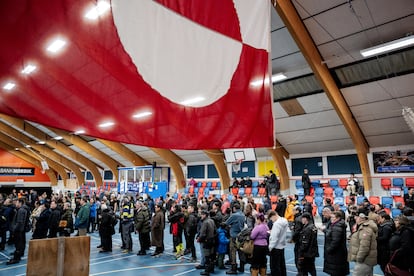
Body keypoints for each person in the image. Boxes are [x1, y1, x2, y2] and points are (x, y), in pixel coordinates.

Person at [323, 211, 349, 276]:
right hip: (338, 253)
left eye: (333, 217)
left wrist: (329, 250)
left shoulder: (337, 227)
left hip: (336, 254)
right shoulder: (337, 225)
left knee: (336, 272)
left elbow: (335, 241)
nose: (331, 218)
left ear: (337, 218)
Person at [6, 198, 30, 265]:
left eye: (16, 202)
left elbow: (19, 222)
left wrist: (14, 229)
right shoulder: (23, 209)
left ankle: (16, 258)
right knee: (20, 244)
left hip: (18, 230)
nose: (15, 204)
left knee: (18, 244)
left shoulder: (21, 210)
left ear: (20, 203)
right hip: (20, 230)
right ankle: (18, 255)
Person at [225, 202, 245, 275]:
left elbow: (226, 223)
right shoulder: (243, 215)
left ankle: (234, 268)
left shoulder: (234, 215)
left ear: (234, 208)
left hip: (233, 236)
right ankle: (242, 267)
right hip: (241, 235)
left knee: (233, 252)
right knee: (241, 252)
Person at [268, 210, 288, 276]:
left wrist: (270, 247)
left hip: (275, 247)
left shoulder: (276, 224)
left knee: (275, 267)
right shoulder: (284, 221)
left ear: (273, 216)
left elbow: (274, 238)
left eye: (271, 219)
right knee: (282, 266)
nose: (271, 220)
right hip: (281, 246)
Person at [197, 209, 217, 276]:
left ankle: (207, 271)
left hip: (206, 241)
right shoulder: (212, 221)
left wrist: (199, 239)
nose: (201, 216)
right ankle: (211, 269)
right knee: (211, 256)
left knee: (207, 256)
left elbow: (202, 233)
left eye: (202, 215)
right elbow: (215, 231)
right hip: (212, 240)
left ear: (205, 215)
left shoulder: (205, 222)